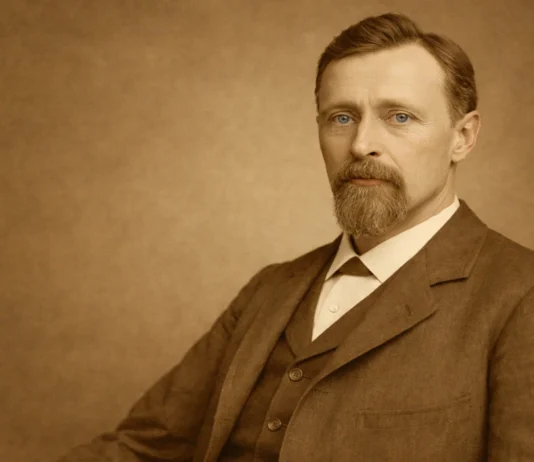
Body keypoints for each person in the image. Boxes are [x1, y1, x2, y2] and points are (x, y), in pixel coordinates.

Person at [58, 12, 534, 462]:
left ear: (463, 137)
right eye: (341, 117)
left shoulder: (519, 295)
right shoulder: (270, 289)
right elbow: (142, 449)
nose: (361, 144)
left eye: (399, 117)